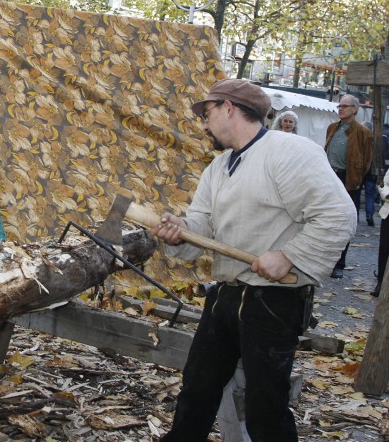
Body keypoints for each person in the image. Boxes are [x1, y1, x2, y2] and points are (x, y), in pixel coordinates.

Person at [151, 79, 355, 442]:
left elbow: (339, 215)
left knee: (266, 405)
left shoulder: (289, 151)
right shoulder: (218, 167)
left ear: (229, 108)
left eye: (207, 113)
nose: (204, 124)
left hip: (273, 301)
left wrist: (290, 256)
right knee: (197, 388)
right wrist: (182, 229)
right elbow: (203, 224)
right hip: (226, 294)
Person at [324, 94, 373, 277]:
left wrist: (355, 179)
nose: (340, 109)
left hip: (348, 179)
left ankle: (339, 264)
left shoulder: (363, 132)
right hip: (330, 176)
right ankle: (324, 260)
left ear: (354, 109)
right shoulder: (332, 127)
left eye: (344, 106)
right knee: (325, 218)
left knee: (344, 222)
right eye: (339, 106)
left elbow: (366, 162)